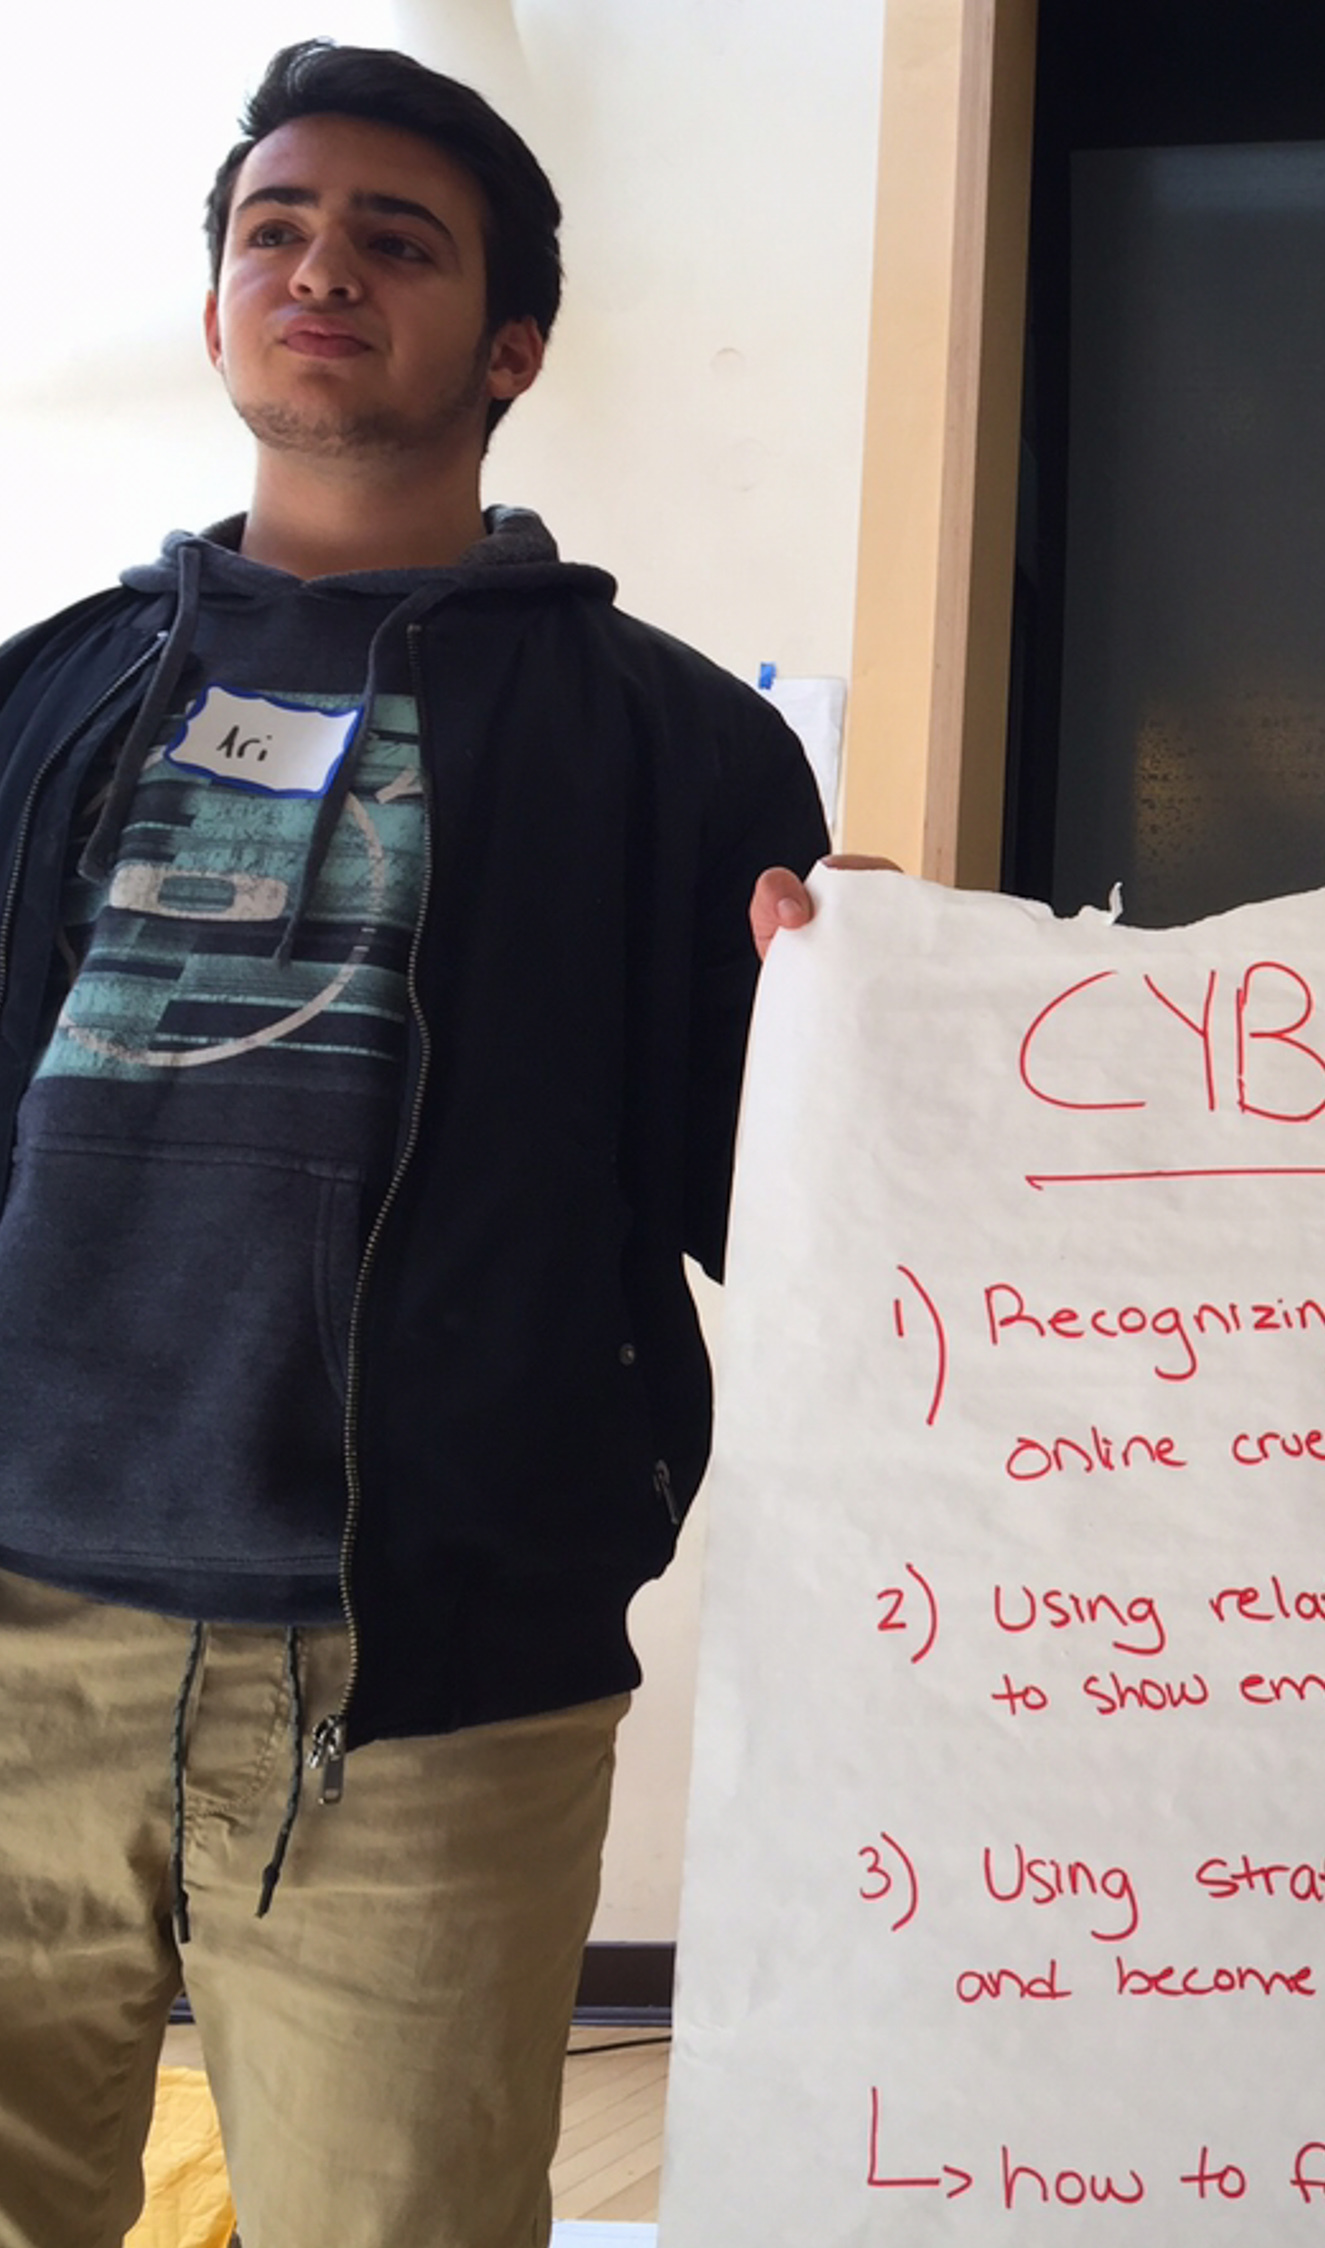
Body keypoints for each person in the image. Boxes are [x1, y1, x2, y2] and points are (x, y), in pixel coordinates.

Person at [0, 42, 831, 2247]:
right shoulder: (47, 695)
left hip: (429, 1680)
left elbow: (779, 1210)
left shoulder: (679, 745)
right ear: (214, 314)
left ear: (513, 344)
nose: (319, 266)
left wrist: (855, 1022)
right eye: (272, 228)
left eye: (396, 237)